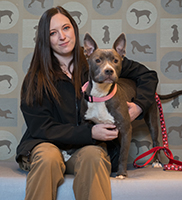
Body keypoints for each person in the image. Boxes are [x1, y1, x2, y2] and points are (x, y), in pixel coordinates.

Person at [16, 6, 158, 200]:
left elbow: (147, 76)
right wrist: (89, 132)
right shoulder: (36, 78)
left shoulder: (98, 61)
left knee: (93, 156)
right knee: (48, 158)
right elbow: (40, 127)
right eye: (52, 33)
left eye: (66, 28)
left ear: (74, 29)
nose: (62, 37)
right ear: (45, 39)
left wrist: (139, 106)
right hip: (45, 145)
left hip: (85, 149)